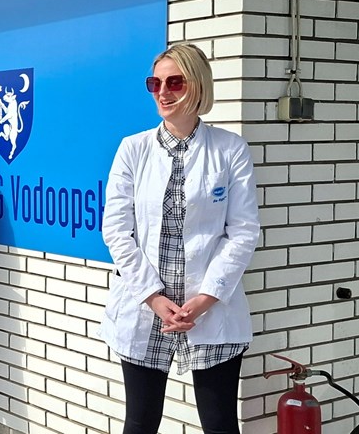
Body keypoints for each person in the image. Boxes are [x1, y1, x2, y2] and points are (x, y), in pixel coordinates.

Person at [98, 43, 260, 434]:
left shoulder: (230, 149)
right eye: (155, 83)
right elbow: (116, 229)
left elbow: (243, 231)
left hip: (209, 306)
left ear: (198, 85)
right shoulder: (133, 149)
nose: (163, 92)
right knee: (140, 423)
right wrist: (154, 298)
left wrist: (204, 301)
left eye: (175, 82)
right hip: (146, 305)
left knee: (220, 424)